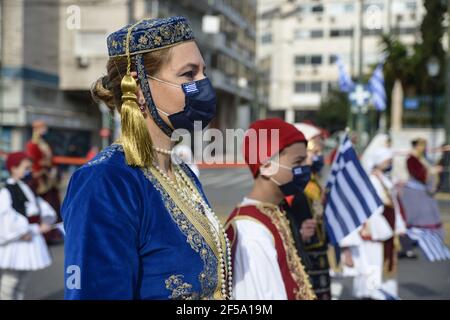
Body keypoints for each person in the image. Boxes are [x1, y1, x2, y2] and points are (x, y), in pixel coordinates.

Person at [62, 16, 231, 300]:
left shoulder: (181, 172)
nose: (203, 83)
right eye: (189, 75)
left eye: (203, 72)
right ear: (139, 89)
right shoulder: (106, 182)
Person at [225, 118, 315, 300]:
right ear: (266, 165)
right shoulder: (251, 231)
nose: (306, 168)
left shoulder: (276, 211)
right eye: (298, 162)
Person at [341, 147, 406, 300]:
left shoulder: (383, 178)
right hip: (374, 230)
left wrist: (399, 225)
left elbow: (393, 204)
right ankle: (371, 294)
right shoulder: (371, 180)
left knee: (382, 264)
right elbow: (370, 208)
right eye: (387, 161)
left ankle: (381, 292)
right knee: (371, 264)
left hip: (385, 230)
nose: (390, 163)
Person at [0, 152, 56, 300]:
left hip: (29, 238)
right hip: (16, 242)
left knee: (21, 282)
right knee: (9, 283)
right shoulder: (6, 191)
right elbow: (6, 219)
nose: (29, 170)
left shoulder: (27, 188)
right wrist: (31, 229)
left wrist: (45, 221)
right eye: (25, 167)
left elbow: (39, 208)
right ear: (13, 168)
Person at [284, 125, 331, 300]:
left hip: (319, 251)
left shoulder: (314, 181)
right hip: (304, 254)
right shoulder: (292, 185)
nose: (318, 156)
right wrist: (299, 233)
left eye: (319, 152)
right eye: (314, 152)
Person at [400, 138, 444, 238]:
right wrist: (431, 172)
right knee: (417, 216)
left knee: (426, 215)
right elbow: (418, 174)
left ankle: (426, 236)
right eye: (422, 145)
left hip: (422, 192)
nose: (423, 148)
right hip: (415, 192)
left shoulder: (422, 158)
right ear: (416, 146)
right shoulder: (411, 159)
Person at [25, 120, 61, 219]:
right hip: (41, 178)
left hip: (49, 176)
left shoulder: (43, 142)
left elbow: (51, 159)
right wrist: (44, 171)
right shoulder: (32, 144)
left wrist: (53, 169)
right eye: (42, 127)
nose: (45, 130)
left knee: (54, 202)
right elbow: (34, 162)